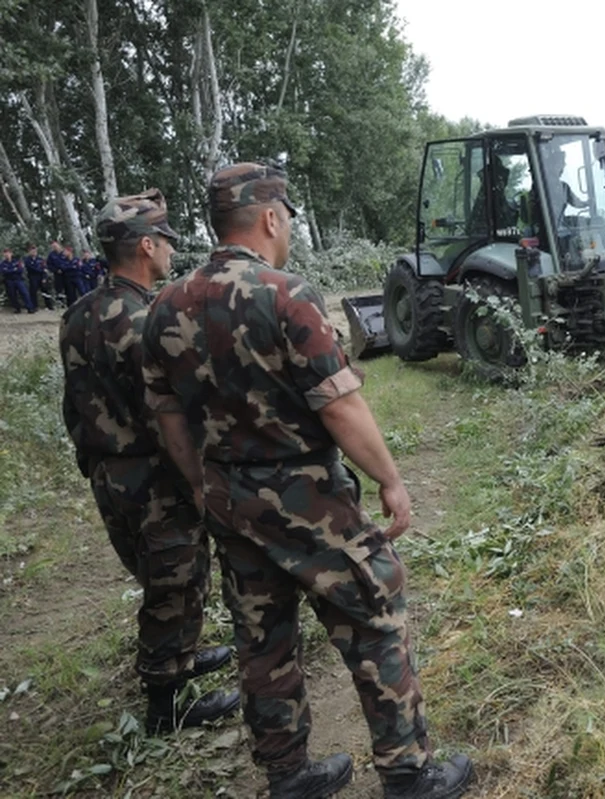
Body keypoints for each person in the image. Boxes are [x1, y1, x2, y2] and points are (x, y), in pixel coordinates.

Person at [141, 163, 473, 799]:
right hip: (309, 501)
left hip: (227, 501)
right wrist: (391, 481)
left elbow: (170, 419)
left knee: (262, 641)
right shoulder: (286, 294)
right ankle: (408, 773)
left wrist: (201, 486)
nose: (288, 226)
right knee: (375, 616)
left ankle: (289, 778)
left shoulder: (164, 306)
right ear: (269, 217)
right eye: (287, 216)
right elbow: (339, 405)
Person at [59, 189, 240, 734]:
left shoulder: (78, 313)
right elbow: (170, 411)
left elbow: (76, 401)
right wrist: (202, 472)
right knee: (174, 580)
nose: (169, 251)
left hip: (106, 471)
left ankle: (181, 658)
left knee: (161, 571)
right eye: (164, 240)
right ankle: (168, 703)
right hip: (150, 473)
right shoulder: (145, 318)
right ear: (144, 246)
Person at [1, 247, 35, 314]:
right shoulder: (2, 264)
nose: (7, 255)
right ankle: (17, 308)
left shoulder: (17, 261)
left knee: (25, 293)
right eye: (5, 253)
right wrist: (14, 269)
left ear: (11, 254)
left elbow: (20, 270)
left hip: (19, 280)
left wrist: (10, 270)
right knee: (12, 295)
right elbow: (3, 272)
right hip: (9, 281)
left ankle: (30, 308)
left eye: (8, 253)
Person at [23, 243, 51, 310]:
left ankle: (49, 305)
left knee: (45, 291)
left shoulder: (40, 259)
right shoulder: (27, 260)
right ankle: (34, 306)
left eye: (35, 251)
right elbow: (32, 268)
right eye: (32, 251)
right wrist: (40, 269)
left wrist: (44, 277)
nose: (34, 252)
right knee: (33, 292)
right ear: (29, 252)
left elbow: (44, 268)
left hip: (41, 276)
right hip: (33, 277)